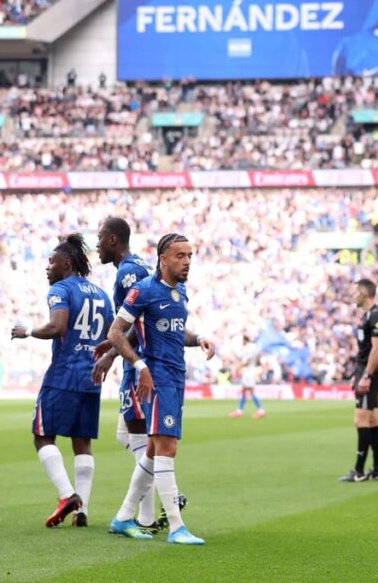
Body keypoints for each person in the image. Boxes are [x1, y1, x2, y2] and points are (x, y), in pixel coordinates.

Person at [106, 233, 216, 545]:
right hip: (157, 378)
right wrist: (140, 367)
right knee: (167, 448)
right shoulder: (143, 291)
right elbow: (116, 333)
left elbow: (176, 331)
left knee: (154, 452)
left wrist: (198, 340)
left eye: (190, 256)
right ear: (163, 258)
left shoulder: (180, 292)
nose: (187, 262)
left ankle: (124, 517)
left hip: (176, 376)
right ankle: (176, 527)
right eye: (180, 256)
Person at [11, 233, 113, 528]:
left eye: (51, 261)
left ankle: (68, 495)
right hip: (92, 376)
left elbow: (58, 326)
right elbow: (110, 337)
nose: (47, 267)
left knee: (42, 436)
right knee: (82, 443)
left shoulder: (61, 290)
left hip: (64, 373)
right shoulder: (101, 294)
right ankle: (83, 510)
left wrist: (28, 330)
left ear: (66, 263)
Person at [92, 217, 159, 531]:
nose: (97, 245)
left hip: (139, 361)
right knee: (126, 434)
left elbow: (138, 320)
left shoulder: (129, 270)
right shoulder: (136, 265)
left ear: (113, 240)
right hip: (136, 357)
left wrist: (111, 353)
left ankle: (145, 517)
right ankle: (156, 499)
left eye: (100, 238)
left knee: (140, 437)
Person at [339, 278, 378, 482]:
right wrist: (356, 373)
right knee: (372, 419)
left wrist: (366, 375)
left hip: (371, 372)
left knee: (360, 420)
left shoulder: (376, 316)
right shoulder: (367, 316)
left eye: (355, 291)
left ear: (365, 293)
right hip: (364, 370)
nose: (353, 295)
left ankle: (358, 471)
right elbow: (365, 350)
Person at [229, 335, 265, 418]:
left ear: (245, 340)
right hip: (251, 370)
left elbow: (247, 360)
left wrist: (238, 366)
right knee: (244, 390)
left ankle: (260, 410)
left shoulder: (249, 348)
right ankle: (239, 410)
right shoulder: (255, 347)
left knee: (251, 391)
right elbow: (258, 359)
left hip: (249, 371)